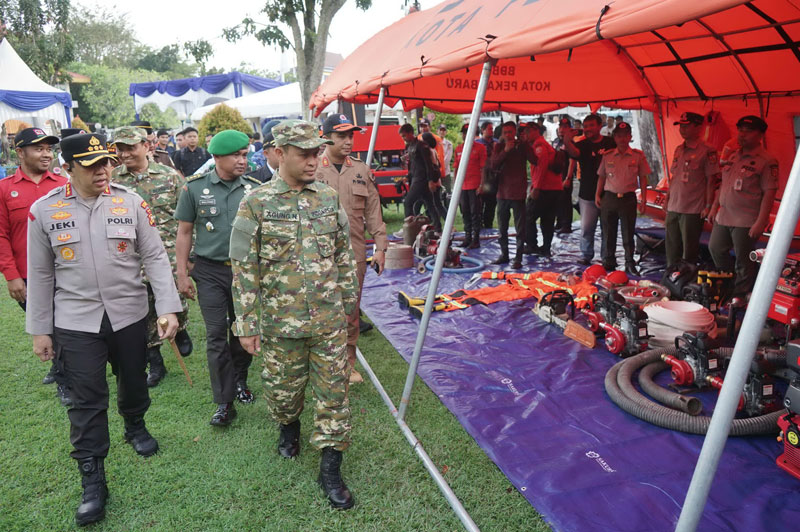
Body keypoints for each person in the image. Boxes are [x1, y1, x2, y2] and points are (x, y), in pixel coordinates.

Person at [26, 132, 181, 526]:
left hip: (129, 313)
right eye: (92, 165)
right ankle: (93, 478)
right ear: (67, 168)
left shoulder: (129, 202)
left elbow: (156, 258)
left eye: (107, 162)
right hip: (75, 321)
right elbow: (40, 275)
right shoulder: (44, 211)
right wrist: (40, 329)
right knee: (85, 399)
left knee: (133, 379)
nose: (104, 170)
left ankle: (135, 424)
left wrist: (167, 307)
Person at [229, 119, 359, 509]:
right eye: (304, 153)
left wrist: (348, 303)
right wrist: (247, 324)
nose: (314, 160)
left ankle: (331, 466)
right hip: (279, 324)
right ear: (279, 153)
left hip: (328, 320)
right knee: (284, 394)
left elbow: (342, 253)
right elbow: (243, 266)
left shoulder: (327, 197)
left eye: (317, 152)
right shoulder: (256, 201)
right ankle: (289, 427)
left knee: (334, 394)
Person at [175, 130, 260, 426]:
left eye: (245, 155)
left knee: (241, 329)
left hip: (245, 271)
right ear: (216, 157)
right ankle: (224, 402)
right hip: (209, 271)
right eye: (236, 155)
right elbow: (184, 232)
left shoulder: (254, 189)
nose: (242, 160)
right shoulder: (194, 189)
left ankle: (240, 381)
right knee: (215, 335)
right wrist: (182, 272)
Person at [112, 126, 194, 387]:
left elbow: (188, 219)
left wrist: (189, 256)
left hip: (168, 253)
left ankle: (179, 327)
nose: (125, 154)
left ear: (146, 147)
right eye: (120, 149)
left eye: (130, 148)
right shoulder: (113, 180)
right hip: (131, 256)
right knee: (143, 309)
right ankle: (155, 361)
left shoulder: (170, 177)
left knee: (174, 300)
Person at [315, 114, 388, 384]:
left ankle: (347, 364)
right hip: (316, 256)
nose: (348, 141)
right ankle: (321, 364)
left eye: (351, 136)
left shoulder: (360, 169)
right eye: (342, 135)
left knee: (350, 313)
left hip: (354, 254)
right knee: (318, 311)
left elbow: (373, 213)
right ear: (326, 136)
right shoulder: (312, 168)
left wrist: (380, 248)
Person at [0, 127, 70, 405]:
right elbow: (1, 234)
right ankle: (60, 368)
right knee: (47, 326)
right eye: (39, 148)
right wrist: (11, 275)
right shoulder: (5, 189)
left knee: (63, 326)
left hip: (65, 271)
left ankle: (65, 380)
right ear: (20, 152)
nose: (46, 154)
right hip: (27, 276)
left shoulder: (63, 183)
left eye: (49, 149)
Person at [709, 115, 778, 296]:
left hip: (746, 219)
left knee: (743, 259)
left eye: (748, 131)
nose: (742, 135)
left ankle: (740, 295)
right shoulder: (733, 155)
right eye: (740, 130)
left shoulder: (767, 161)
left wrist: (761, 221)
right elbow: (723, 184)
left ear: (760, 135)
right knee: (715, 248)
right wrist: (714, 206)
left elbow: (769, 193)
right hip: (724, 215)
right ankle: (728, 284)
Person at [664, 112, 720, 267]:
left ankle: (686, 279)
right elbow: (674, 177)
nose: (682, 129)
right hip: (674, 205)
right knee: (671, 247)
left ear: (698, 127)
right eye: (681, 125)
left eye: (687, 126)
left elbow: (711, 181)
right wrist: (667, 198)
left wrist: (708, 206)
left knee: (689, 250)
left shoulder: (707, 151)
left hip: (693, 208)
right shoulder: (678, 149)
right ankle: (671, 277)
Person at [595, 122, 651, 276]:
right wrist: (597, 195)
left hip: (628, 199)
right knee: (608, 232)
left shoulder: (637, 156)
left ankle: (629, 262)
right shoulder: (608, 156)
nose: (622, 139)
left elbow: (643, 178)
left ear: (630, 137)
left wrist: (644, 199)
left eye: (625, 135)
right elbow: (601, 177)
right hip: (609, 198)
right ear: (614, 137)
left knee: (628, 232)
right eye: (618, 136)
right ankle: (609, 261)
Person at [563, 113, 617, 265]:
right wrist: (567, 140)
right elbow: (573, 153)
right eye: (585, 126)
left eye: (591, 125)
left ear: (600, 126)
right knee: (587, 228)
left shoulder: (610, 143)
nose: (588, 129)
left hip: (608, 192)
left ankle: (607, 257)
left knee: (608, 227)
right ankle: (586, 255)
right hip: (587, 194)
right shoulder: (583, 144)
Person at [491, 121, 534, 268]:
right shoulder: (499, 146)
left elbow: (535, 160)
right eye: (505, 132)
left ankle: (518, 258)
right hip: (502, 193)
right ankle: (504, 254)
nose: (508, 135)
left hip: (518, 193)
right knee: (502, 228)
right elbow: (492, 164)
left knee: (520, 228)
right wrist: (506, 151)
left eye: (510, 132)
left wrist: (527, 144)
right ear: (502, 134)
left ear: (515, 132)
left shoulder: (521, 146)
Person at [525, 124, 562, 257]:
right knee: (548, 219)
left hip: (545, 189)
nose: (526, 134)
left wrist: (537, 187)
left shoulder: (539, 145)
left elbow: (541, 167)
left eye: (528, 131)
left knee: (528, 216)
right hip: (553, 188)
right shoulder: (544, 144)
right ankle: (545, 248)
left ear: (536, 131)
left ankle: (532, 245)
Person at [399, 123, 442, 231]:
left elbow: (428, 164)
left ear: (410, 133)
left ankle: (410, 228)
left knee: (409, 202)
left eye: (404, 136)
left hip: (421, 179)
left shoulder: (421, 145)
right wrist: (407, 177)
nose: (403, 139)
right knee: (430, 204)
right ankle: (437, 227)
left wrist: (430, 180)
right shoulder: (410, 147)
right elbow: (413, 166)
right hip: (417, 178)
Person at [454, 123, 487, 249]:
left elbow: (483, 168)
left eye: (468, 133)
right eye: (464, 133)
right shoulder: (458, 149)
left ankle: (476, 238)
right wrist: (455, 186)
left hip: (475, 185)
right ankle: (468, 237)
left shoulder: (480, 148)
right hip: (462, 186)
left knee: (475, 213)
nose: (465, 135)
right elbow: (456, 168)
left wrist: (482, 185)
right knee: (465, 212)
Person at [553, 117, 576, 234]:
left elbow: (573, 160)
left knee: (566, 200)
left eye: (565, 127)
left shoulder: (570, 142)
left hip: (566, 175)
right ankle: (559, 222)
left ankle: (566, 225)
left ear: (569, 129)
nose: (562, 129)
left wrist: (568, 177)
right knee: (557, 200)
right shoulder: (556, 141)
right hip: (556, 176)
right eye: (561, 127)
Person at [476, 121, 497, 230]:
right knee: (479, 204)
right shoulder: (478, 143)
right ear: (483, 130)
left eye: (492, 129)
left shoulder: (496, 143)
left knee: (491, 204)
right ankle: (478, 226)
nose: (492, 131)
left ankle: (488, 225)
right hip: (480, 178)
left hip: (493, 179)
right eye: (489, 129)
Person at [438, 124, 454, 192]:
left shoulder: (449, 144)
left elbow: (447, 159)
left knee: (448, 194)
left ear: (446, 132)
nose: (442, 132)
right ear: (437, 131)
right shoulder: (434, 143)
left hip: (446, 173)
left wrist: (439, 168)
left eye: (444, 130)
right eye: (441, 130)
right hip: (436, 174)